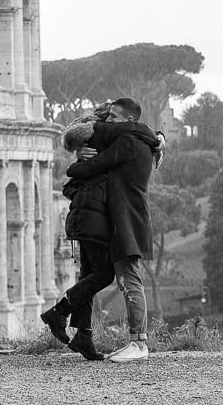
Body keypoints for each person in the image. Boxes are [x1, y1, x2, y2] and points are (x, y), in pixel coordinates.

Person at [60, 97, 161, 363]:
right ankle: (132, 342)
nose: (109, 121)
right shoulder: (137, 141)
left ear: (128, 121)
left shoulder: (129, 142)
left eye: (115, 117)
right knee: (126, 280)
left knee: (130, 281)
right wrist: (157, 137)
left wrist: (77, 160)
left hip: (128, 222)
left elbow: (89, 163)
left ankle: (139, 344)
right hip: (127, 221)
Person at [38, 105, 123, 360]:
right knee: (104, 274)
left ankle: (84, 336)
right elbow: (73, 170)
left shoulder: (94, 147)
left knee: (87, 275)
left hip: (82, 218)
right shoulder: (106, 138)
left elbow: (72, 173)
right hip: (91, 220)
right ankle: (58, 312)